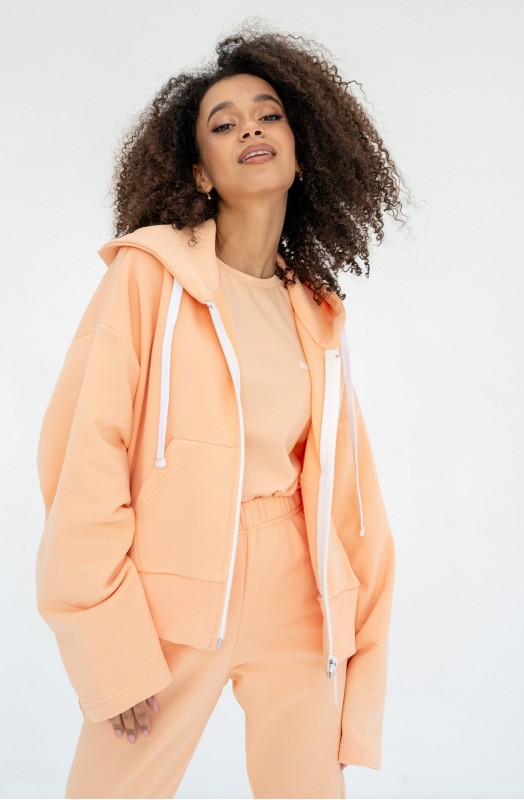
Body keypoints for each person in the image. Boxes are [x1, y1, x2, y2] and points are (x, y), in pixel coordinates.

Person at [35, 21, 406, 800]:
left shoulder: (315, 311)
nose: (251, 130)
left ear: (302, 153)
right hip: (173, 590)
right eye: (224, 123)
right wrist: (107, 640)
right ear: (201, 171)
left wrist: (359, 656)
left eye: (269, 115)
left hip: (297, 590)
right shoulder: (147, 278)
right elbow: (84, 454)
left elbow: (353, 501)